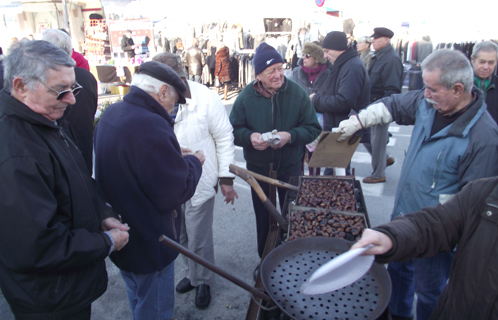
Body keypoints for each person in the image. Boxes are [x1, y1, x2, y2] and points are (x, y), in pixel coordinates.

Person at [337, 49, 498, 320]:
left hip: (437, 235)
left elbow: (473, 205)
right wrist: (357, 121)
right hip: (403, 218)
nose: (426, 94)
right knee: (397, 279)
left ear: (458, 89)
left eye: (433, 89)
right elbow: (392, 105)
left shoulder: (484, 138)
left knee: (430, 293)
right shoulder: (427, 103)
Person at [0, 40, 129, 320]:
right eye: (60, 91)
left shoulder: (50, 122)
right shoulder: (15, 153)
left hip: (67, 288)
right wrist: (106, 242)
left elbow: (79, 180)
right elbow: (36, 247)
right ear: (21, 86)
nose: (71, 99)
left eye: (73, 88)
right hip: (49, 299)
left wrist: (103, 213)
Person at [93, 61, 204, 320]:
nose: (173, 110)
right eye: (174, 101)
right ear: (163, 92)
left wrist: (172, 155)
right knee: (155, 310)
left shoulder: (113, 113)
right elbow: (174, 192)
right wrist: (193, 161)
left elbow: (130, 163)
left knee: (139, 299)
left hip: (125, 238)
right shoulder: (151, 125)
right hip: (150, 244)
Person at [152, 53, 238, 309]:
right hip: (169, 182)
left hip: (200, 180)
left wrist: (226, 178)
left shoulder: (205, 98)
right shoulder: (154, 99)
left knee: (199, 236)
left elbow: (224, 137)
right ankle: (192, 272)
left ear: (180, 77)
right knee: (179, 235)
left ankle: (203, 281)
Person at [352, 176, 498, 320]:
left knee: (428, 291)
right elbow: (432, 223)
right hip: (454, 312)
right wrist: (390, 236)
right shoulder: (483, 192)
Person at [229, 42, 321, 259]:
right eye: (271, 71)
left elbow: (313, 128)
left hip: (290, 167)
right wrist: (250, 138)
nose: (278, 75)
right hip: (259, 170)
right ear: (259, 75)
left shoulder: (297, 94)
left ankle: (293, 259)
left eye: (280, 68)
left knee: (294, 214)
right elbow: (233, 130)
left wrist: (290, 136)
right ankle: (266, 260)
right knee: (264, 218)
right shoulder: (245, 97)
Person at [309, 31, 370, 175]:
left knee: (334, 177)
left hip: (342, 129)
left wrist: (316, 99)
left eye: (327, 51)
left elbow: (344, 101)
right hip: (339, 128)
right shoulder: (344, 64)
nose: (324, 56)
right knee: (337, 175)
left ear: (338, 49)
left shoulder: (352, 67)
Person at [42, 29, 98, 173]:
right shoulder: (86, 76)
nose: (70, 98)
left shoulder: (83, 77)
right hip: (77, 147)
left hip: (64, 152)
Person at [363, 27, 403, 184]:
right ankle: (384, 159)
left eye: (376, 38)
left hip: (382, 105)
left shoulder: (391, 59)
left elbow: (392, 88)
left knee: (378, 141)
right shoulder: (379, 56)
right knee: (368, 136)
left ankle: (378, 173)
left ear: (386, 40)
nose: (373, 40)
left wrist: (385, 109)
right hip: (373, 104)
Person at [291, 41, 329, 176]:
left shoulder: (329, 74)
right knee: (298, 156)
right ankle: (299, 185)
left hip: (321, 121)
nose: (303, 58)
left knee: (315, 159)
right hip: (299, 120)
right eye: (303, 55)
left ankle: (314, 184)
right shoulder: (296, 73)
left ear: (317, 58)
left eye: (307, 55)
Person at [471, 41, 498, 124]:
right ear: (473, 60)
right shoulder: (460, 85)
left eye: (491, 62)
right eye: (482, 62)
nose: (486, 67)